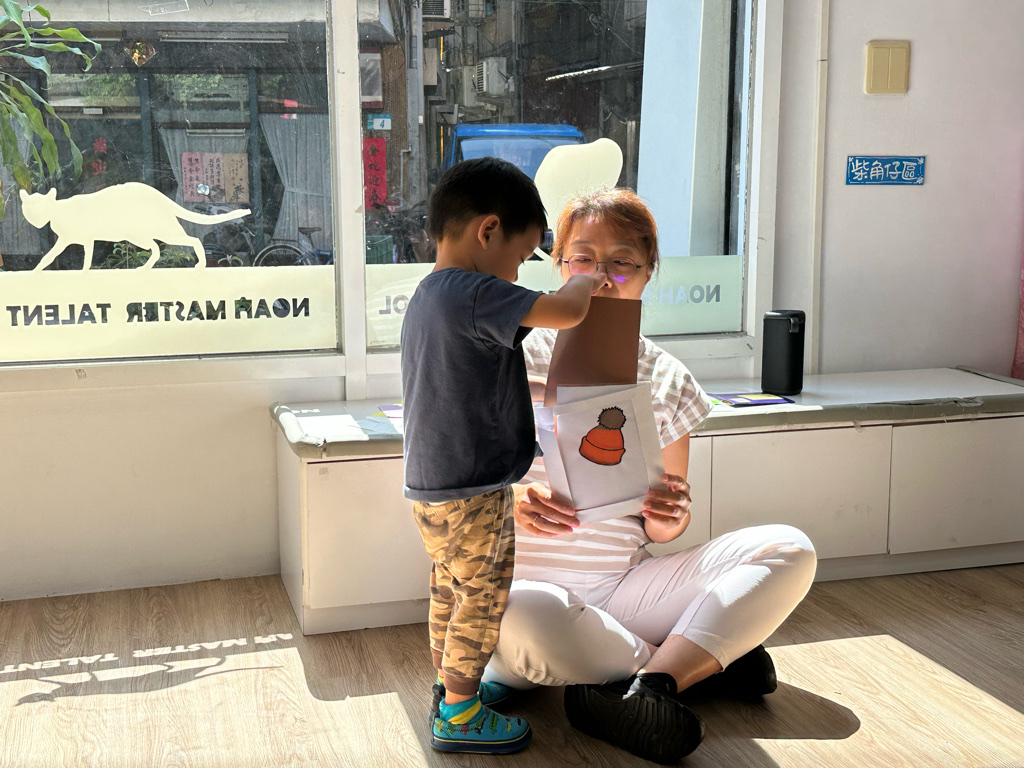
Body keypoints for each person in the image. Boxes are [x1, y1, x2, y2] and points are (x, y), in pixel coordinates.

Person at [480, 188, 818, 764]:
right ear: (559, 265)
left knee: (791, 548)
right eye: (583, 259)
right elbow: (456, 492)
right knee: (529, 615)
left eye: (622, 263)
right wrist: (514, 499)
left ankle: (654, 684)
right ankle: (697, 663)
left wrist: (671, 513)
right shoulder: (507, 357)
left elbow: (662, 532)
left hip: (624, 592)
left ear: (648, 272)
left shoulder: (667, 378)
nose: (600, 278)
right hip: (523, 592)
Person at [401, 157, 604, 755]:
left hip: (432, 488)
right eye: (521, 256)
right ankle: (461, 714)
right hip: (474, 488)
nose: (518, 273)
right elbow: (565, 313)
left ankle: (451, 688)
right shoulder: (473, 292)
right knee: (483, 598)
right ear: (487, 231)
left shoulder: (428, 295)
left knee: (450, 589)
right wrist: (585, 279)